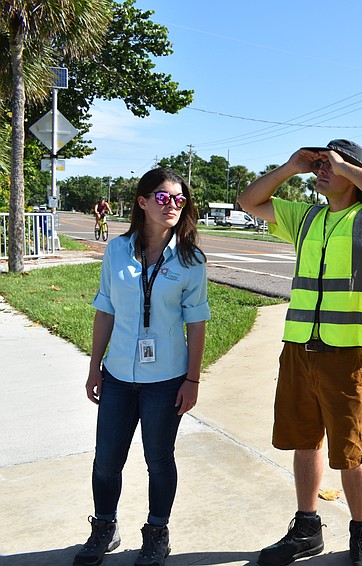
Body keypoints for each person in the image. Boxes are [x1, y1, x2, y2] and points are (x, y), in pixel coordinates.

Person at [237, 139, 362, 566]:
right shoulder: (306, 216)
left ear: (352, 172)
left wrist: (345, 168)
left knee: (350, 450)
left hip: (347, 352)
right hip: (299, 346)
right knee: (303, 440)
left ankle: (361, 533)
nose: (321, 170)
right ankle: (307, 528)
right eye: (320, 163)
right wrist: (292, 166)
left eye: (330, 164)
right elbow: (249, 200)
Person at [75, 168, 210, 566]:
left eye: (180, 199)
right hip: (117, 375)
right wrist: (94, 366)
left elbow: (197, 322)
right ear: (143, 201)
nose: (173, 205)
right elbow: (105, 309)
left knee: (159, 460)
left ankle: (156, 532)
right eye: (164, 197)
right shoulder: (117, 250)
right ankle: (104, 527)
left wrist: (193, 378)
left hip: (166, 380)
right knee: (106, 459)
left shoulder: (191, 259)